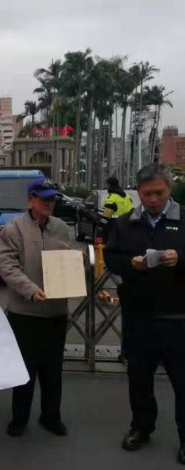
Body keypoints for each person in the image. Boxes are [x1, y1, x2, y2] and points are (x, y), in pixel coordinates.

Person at [104, 164, 185, 464]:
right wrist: (131, 264)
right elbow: (111, 257)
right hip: (139, 317)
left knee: (182, 382)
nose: (152, 199)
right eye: (147, 193)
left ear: (169, 190)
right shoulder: (125, 223)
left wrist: (181, 258)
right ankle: (141, 427)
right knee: (139, 378)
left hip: (178, 317)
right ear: (138, 192)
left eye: (159, 193)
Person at [0, 177, 70, 437]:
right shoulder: (13, 229)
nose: (49, 203)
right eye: (44, 198)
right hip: (25, 313)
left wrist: (78, 263)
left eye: (52, 199)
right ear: (31, 200)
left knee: (53, 371)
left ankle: (51, 417)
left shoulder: (61, 228)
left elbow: (67, 259)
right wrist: (30, 290)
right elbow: (8, 266)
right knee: (24, 371)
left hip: (56, 312)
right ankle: (19, 419)